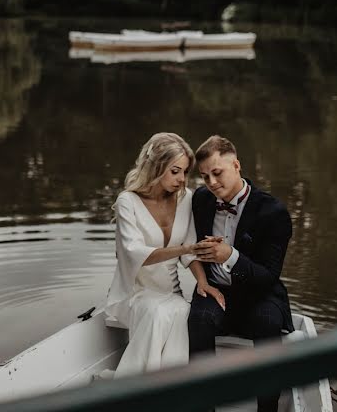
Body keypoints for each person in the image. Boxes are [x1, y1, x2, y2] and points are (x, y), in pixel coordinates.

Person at [104, 132, 224, 378]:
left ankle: (167, 392)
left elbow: (190, 248)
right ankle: (136, 393)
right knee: (158, 314)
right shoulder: (128, 201)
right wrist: (186, 249)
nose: (182, 179)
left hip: (171, 293)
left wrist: (202, 282)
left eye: (185, 172)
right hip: (137, 293)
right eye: (175, 171)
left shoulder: (185, 198)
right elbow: (135, 254)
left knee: (181, 311)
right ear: (156, 167)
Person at [188, 135, 294, 412]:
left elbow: (269, 276)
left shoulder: (274, 212)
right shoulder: (200, 200)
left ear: (236, 165)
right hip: (215, 289)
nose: (210, 183)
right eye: (204, 176)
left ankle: (267, 408)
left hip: (259, 293)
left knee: (267, 323)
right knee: (198, 319)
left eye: (217, 173)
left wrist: (231, 256)